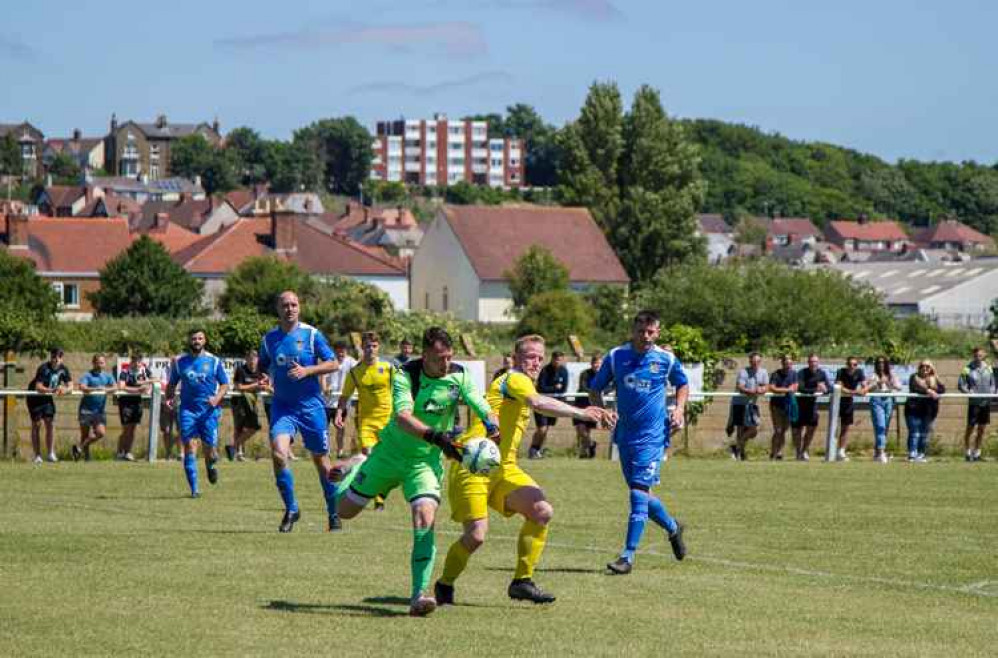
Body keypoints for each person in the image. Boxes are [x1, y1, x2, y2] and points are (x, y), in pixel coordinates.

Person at [334, 327, 498, 617]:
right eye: (438, 359)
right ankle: (358, 462)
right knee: (344, 511)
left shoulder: (458, 375)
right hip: (389, 455)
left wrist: (491, 423)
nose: (445, 364)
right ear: (425, 355)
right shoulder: (405, 375)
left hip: (424, 464)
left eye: (448, 357)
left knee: (424, 517)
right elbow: (403, 417)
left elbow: (480, 402)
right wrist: (437, 437)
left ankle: (419, 595)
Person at [436, 334, 609, 606]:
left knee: (541, 511)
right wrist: (583, 413)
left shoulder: (521, 382)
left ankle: (522, 581)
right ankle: (444, 584)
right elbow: (538, 403)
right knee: (476, 536)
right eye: (530, 356)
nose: (536, 362)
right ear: (515, 359)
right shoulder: (514, 378)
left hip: (503, 468)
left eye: (540, 357)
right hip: (474, 465)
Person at [588, 310, 689, 575]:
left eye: (651, 332)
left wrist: (679, 409)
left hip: (653, 436)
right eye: (641, 331)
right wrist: (602, 412)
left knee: (637, 494)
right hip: (625, 436)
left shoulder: (665, 359)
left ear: (657, 333)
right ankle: (673, 528)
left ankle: (627, 556)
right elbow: (595, 388)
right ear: (633, 331)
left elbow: (682, 383)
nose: (646, 336)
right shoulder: (616, 356)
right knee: (643, 494)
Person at [257, 291, 341, 533]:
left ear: (300, 308)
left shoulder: (312, 334)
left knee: (321, 462)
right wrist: (263, 377)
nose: (290, 309)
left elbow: (333, 363)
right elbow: (263, 365)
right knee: (279, 453)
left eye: (294, 305)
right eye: (285, 305)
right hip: (283, 406)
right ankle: (292, 509)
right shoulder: (269, 339)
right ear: (278, 309)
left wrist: (308, 371)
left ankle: (334, 512)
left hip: (311, 407)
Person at [165, 329, 229, 498]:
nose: (197, 341)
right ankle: (195, 489)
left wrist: (216, 398)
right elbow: (171, 384)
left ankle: (210, 466)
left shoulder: (214, 361)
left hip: (209, 411)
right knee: (189, 446)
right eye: (194, 338)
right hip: (188, 411)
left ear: (205, 341)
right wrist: (169, 398)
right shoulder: (180, 362)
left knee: (210, 451)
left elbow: (224, 385)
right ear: (189, 341)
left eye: (200, 338)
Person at [333, 331, 393, 510]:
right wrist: (338, 413)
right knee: (369, 455)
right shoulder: (355, 372)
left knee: (385, 461)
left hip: (388, 422)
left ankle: (379, 497)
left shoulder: (389, 368)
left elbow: (402, 389)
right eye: (367, 346)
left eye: (374, 346)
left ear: (378, 347)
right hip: (367, 422)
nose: (371, 349)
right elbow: (345, 396)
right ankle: (355, 479)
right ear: (362, 348)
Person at [26, 348, 72, 463]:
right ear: (50, 357)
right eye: (54, 357)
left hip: (47, 398)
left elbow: (71, 386)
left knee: (50, 423)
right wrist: (53, 390)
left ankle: (51, 453)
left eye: (59, 357)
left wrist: (64, 390)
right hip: (35, 397)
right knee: (37, 425)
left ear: (62, 358)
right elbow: (38, 387)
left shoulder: (64, 369)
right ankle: (37, 456)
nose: (56, 360)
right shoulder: (43, 368)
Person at [72, 354, 116, 462]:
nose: (100, 365)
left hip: (99, 411)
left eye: (102, 362)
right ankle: (86, 458)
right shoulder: (88, 375)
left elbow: (115, 387)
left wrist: (106, 390)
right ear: (93, 363)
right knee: (85, 435)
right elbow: (82, 387)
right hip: (86, 409)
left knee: (100, 432)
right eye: (98, 362)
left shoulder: (108, 376)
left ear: (105, 363)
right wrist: (96, 388)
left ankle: (79, 448)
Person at [957, 347, 995, 462]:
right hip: (974, 403)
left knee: (981, 429)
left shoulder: (989, 368)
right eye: (976, 355)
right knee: (970, 428)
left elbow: (992, 383)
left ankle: (977, 453)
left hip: (986, 402)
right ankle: (968, 453)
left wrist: (992, 393)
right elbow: (961, 385)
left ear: (984, 355)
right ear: (973, 355)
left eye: (980, 355)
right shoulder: (967, 369)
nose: (978, 357)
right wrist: (968, 392)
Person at [528, 351, 569, 459]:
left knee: (546, 428)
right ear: (552, 359)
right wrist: (556, 387)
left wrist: (556, 389)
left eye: (560, 359)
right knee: (542, 428)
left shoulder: (564, 371)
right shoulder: (545, 370)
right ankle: (533, 449)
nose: (557, 362)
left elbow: (564, 388)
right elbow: (542, 387)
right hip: (541, 402)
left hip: (554, 404)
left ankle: (537, 450)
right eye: (556, 359)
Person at [730, 352, 768, 461]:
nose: (755, 363)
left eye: (757, 361)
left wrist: (762, 389)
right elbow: (740, 386)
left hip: (752, 404)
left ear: (760, 362)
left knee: (753, 430)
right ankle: (741, 454)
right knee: (740, 429)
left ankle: (736, 447)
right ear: (749, 361)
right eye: (753, 362)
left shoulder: (764, 372)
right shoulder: (743, 372)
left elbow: (766, 386)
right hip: (740, 403)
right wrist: (750, 391)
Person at [229, 349, 266, 462]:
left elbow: (264, 384)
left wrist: (266, 384)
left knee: (255, 427)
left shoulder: (260, 371)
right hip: (238, 402)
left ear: (257, 359)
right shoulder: (240, 370)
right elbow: (239, 387)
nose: (252, 361)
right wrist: (256, 385)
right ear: (246, 359)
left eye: (254, 358)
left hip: (252, 402)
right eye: (250, 358)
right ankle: (238, 454)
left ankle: (233, 447)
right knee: (239, 427)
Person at [905, 360, 944, 462]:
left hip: (928, 410)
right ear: (919, 367)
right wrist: (928, 391)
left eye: (928, 366)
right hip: (913, 409)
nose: (925, 368)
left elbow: (942, 389)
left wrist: (934, 382)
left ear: (931, 368)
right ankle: (912, 454)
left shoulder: (934, 378)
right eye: (923, 366)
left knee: (924, 434)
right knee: (914, 433)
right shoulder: (914, 377)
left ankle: (921, 454)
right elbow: (915, 387)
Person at [324, 341, 357, 458]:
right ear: (335, 350)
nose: (340, 353)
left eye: (343, 351)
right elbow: (323, 376)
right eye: (338, 350)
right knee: (324, 429)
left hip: (342, 402)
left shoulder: (352, 362)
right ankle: (325, 451)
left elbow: (359, 372)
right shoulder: (329, 360)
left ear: (346, 351)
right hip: (328, 402)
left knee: (340, 427)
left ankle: (340, 451)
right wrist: (325, 387)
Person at [794, 354, 830, 461]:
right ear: (808, 362)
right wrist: (815, 389)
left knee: (812, 428)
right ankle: (798, 452)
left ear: (818, 363)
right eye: (811, 361)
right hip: (799, 405)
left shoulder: (821, 373)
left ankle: (804, 450)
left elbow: (828, 388)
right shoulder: (801, 373)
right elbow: (800, 388)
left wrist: (825, 389)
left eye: (815, 362)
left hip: (812, 406)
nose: (813, 364)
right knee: (797, 430)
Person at [116, 352, 151, 462]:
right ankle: (120, 452)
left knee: (133, 429)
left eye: (139, 361)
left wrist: (147, 385)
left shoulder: (145, 371)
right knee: (126, 429)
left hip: (137, 403)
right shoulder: (125, 372)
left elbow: (154, 380)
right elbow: (121, 386)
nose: (137, 363)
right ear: (131, 361)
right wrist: (137, 390)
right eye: (134, 361)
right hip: (125, 403)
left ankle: (128, 452)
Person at [868, 356, 902, 463]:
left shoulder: (891, 374)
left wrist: (889, 382)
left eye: (883, 362)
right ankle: (881, 453)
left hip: (888, 400)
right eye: (879, 362)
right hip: (877, 399)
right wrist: (878, 382)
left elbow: (899, 387)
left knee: (885, 427)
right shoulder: (873, 375)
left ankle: (878, 451)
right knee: (880, 426)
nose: (881, 364)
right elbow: (867, 386)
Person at [834, 356, 868, 462]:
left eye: (854, 364)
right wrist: (855, 392)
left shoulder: (860, 372)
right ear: (846, 364)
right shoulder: (840, 372)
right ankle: (832, 450)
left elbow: (864, 386)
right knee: (834, 428)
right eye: (850, 364)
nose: (852, 366)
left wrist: (865, 388)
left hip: (848, 403)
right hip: (837, 402)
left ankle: (841, 451)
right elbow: (839, 388)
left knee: (845, 428)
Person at [767, 354, 798, 461]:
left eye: (790, 363)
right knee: (778, 430)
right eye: (786, 363)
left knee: (784, 430)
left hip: (788, 405)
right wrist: (786, 390)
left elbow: (795, 387)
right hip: (776, 405)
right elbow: (772, 388)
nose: (788, 365)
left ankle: (779, 452)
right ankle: (773, 452)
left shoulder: (794, 374)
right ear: (782, 363)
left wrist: (788, 390)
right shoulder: (775, 374)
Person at [574, 352, 603, 459]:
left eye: (599, 364)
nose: (597, 366)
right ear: (591, 364)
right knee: (580, 429)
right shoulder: (585, 373)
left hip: (593, 404)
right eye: (595, 363)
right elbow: (583, 387)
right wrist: (595, 392)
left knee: (587, 430)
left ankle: (584, 453)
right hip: (581, 404)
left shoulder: (603, 376)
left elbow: (609, 387)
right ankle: (591, 444)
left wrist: (603, 392)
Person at [159, 354, 181, 461]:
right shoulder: (165, 369)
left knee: (181, 429)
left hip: (180, 402)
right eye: (173, 360)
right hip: (165, 402)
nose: (174, 361)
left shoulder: (183, 370)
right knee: (166, 430)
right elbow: (163, 385)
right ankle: (168, 454)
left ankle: (181, 453)